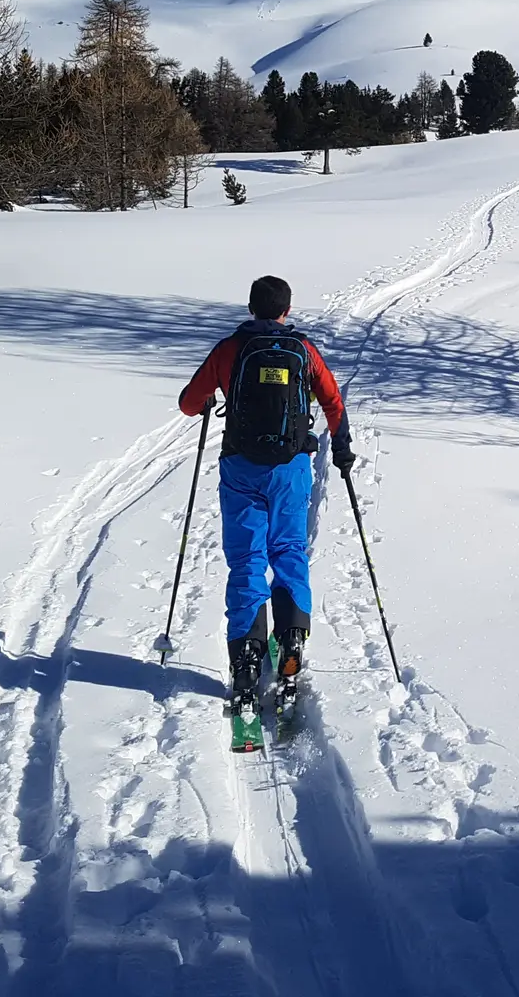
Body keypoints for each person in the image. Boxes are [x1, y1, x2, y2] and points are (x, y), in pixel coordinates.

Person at [179, 275, 352, 711]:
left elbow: (188, 401)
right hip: (291, 469)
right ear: (286, 310)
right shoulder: (303, 350)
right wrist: (343, 448)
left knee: (247, 559)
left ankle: (247, 657)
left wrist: (206, 401)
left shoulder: (229, 349)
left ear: (250, 307)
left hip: (241, 467)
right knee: (289, 548)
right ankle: (292, 638)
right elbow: (332, 401)